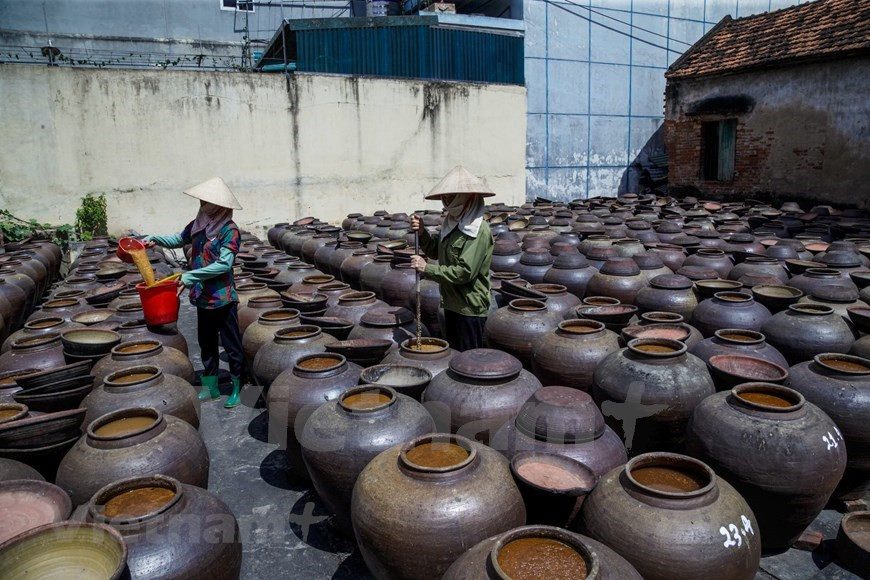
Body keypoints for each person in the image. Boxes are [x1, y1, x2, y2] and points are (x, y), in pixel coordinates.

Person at [144, 177, 245, 408]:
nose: (201, 204)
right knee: (207, 344)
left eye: (205, 201)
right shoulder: (197, 225)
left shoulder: (229, 230)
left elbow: (224, 265)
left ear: (217, 205)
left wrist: (190, 276)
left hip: (222, 297)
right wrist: (154, 239)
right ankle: (211, 388)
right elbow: (179, 239)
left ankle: (238, 387)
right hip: (202, 296)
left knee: (232, 345)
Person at [409, 165, 494, 351]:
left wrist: (427, 268)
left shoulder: (478, 229)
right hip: (450, 303)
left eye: (452, 196)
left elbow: (465, 272)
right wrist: (423, 232)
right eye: (444, 197)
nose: (446, 201)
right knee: (454, 356)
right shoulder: (452, 224)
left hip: (469, 308)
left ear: (468, 197)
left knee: (467, 361)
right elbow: (434, 250)